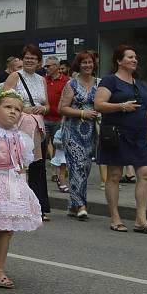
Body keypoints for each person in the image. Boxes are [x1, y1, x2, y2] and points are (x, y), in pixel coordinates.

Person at [0, 90, 43, 288]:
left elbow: (23, 164)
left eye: (17, 109)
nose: (12, 112)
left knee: (6, 229)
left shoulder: (22, 138)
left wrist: (22, 187)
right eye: (7, 107)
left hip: (13, 185)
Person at [94, 45, 147, 234]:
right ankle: (115, 217)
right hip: (117, 135)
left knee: (145, 173)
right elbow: (99, 104)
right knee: (115, 176)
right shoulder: (110, 81)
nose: (134, 60)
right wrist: (121, 106)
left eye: (135, 57)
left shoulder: (142, 85)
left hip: (140, 136)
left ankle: (140, 220)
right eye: (130, 57)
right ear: (119, 61)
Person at [3, 44, 50, 221]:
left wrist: (42, 108)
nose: (30, 60)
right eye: (27, 57)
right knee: (19, 166)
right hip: (18, 127)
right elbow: (4, 100)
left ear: (39, 62)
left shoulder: (41, 79)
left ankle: (39, 207)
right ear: (22, 59)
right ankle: (17, 204)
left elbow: (48, 105)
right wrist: (24, 108)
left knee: (38, 167)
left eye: (34, 58)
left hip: (38, 129)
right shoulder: (15, 76)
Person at [58, 51, 99, 219]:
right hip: (72, 131)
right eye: (84, 63)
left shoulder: (100, 83)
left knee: (86, 168)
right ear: (78, 65)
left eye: (90, 62)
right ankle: (81, 205)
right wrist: (82, 113)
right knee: (76, 166)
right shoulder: (72, 84)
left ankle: (72, 205)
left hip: (91, 133)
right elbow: (62, 108)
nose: (87, 65)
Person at [44, 56, 70, 189]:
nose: (46, 68)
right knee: (43, 145)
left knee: (59, 147)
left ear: (56, 66)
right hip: (44, 117)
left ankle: (58, 173)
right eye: (46, 66)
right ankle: (48, 172)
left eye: (48, 66)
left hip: (60, 119)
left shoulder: (67, 81)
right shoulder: (43, 80)